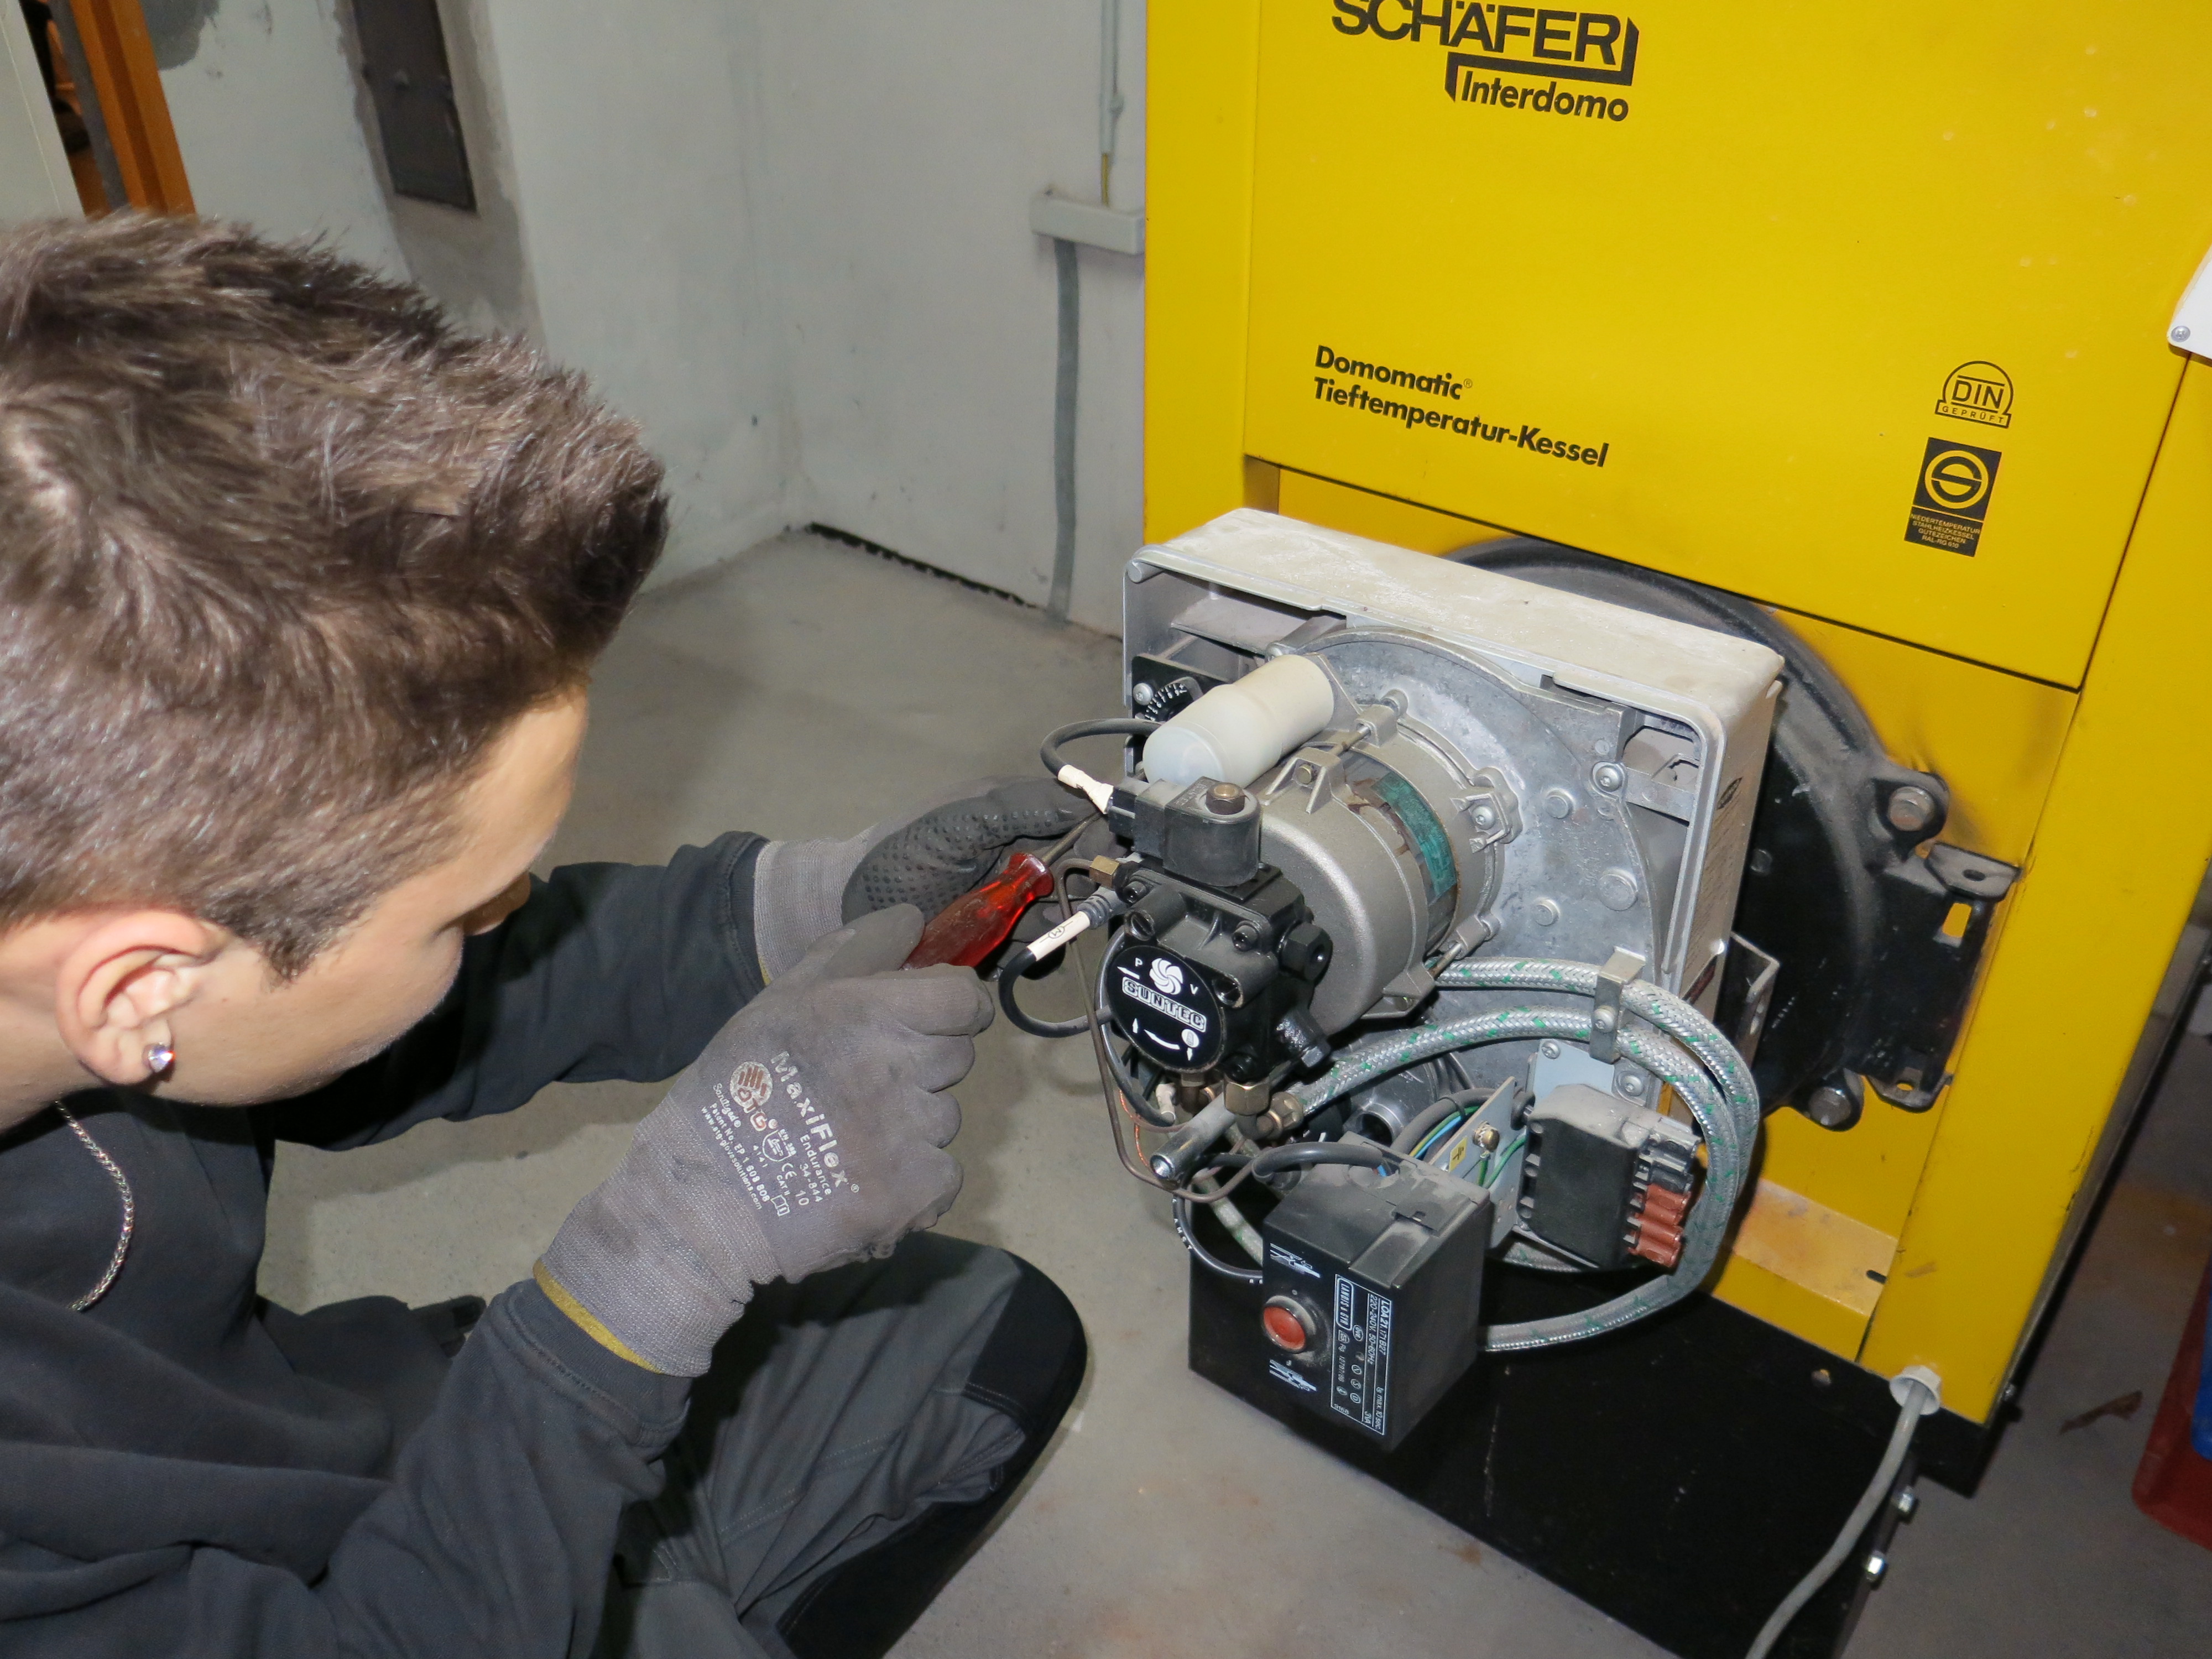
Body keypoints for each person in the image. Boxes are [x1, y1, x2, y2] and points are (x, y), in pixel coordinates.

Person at [0, 213, 1092, 1658]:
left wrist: (814, 902)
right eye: (462, 910)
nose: (503, 918)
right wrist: (653, 1272)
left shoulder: (98, 952)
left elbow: (432, 1024)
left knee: (984, 1346)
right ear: (140, 988)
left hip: (319, 1453)